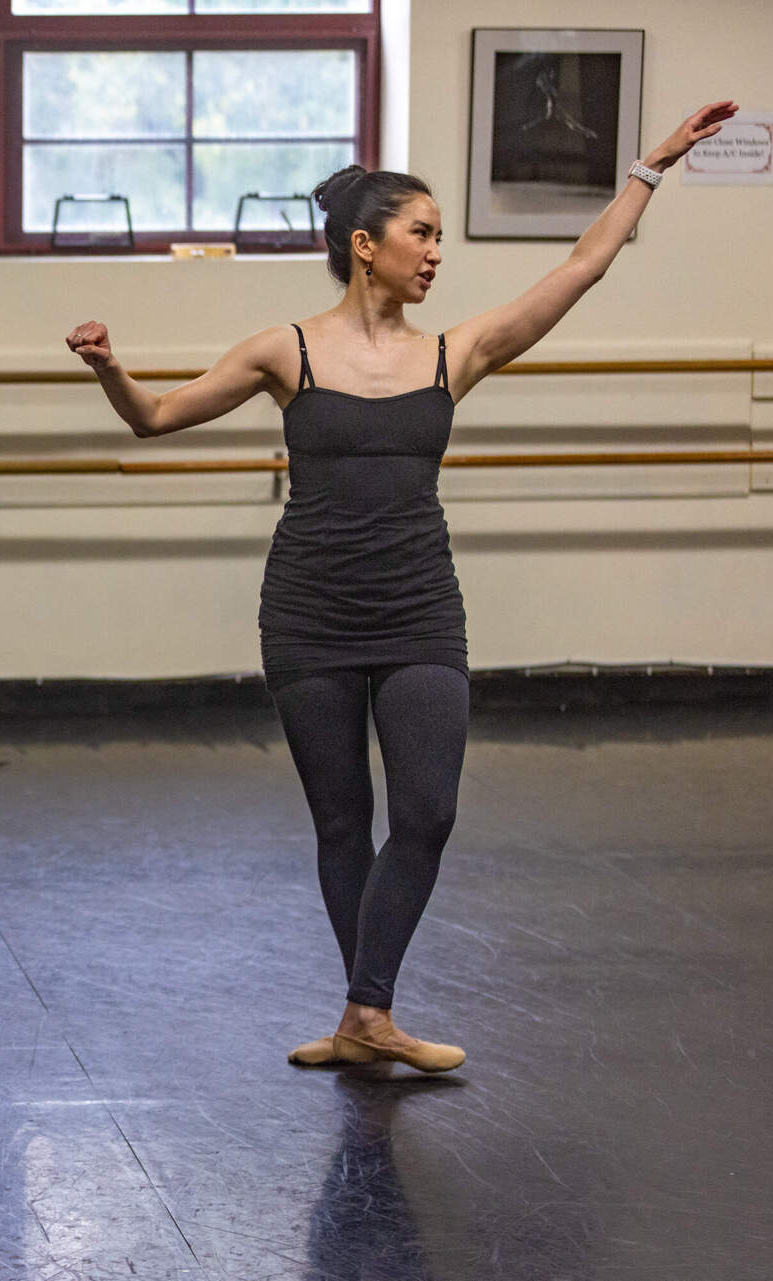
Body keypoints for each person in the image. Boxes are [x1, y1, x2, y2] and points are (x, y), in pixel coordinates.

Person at [66, 102, 737, 1073]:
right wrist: (110, 369)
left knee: (427, 812)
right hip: (309, 613)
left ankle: (364, 1014)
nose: (434, 254)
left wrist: (650, 166)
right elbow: (156, 418)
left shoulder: (450, 354)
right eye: (421, 234)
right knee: (342, 823)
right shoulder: (282, 350)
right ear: (364, 245)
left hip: (421, 608)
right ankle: (366, 1019)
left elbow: (580, 269)